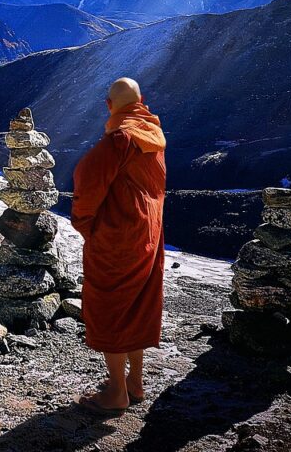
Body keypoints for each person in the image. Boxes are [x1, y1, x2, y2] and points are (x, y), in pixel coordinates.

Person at [71, 77, 167, 415]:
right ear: (143, 101)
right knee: (137, 304)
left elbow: (88, 175)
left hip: (117, 238)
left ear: (109, 106)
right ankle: (135, 383)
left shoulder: (121, 138)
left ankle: (115, 391)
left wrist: (87, 226)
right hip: (149, 235)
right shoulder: (152, 134)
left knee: (111, 304)